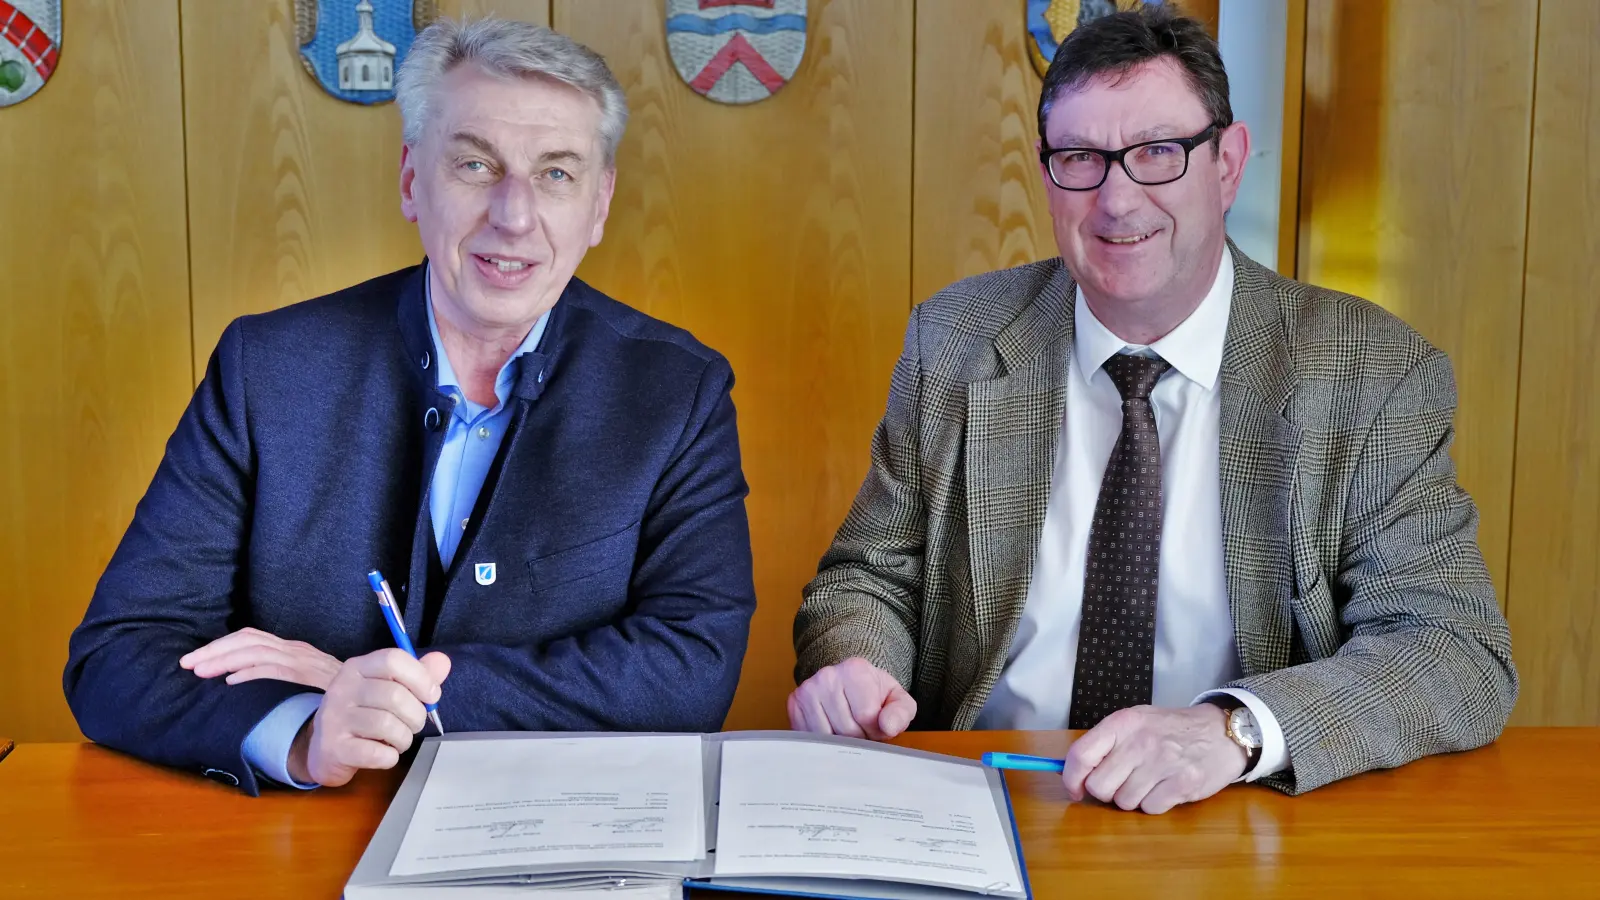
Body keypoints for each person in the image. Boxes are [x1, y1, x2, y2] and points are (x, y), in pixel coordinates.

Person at [789, 6, 1516, 814]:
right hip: (987, 794)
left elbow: (1453, 649)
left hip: (1240, 807)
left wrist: (1236, 731)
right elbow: (871, 576)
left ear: (1228, 163)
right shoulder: (957, 337)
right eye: (1081, 158)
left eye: (1159, 153)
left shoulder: (1371, 372)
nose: (1117, 200)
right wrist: (859, 667)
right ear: (1046, 172)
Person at [64, 17, 755, 795]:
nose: (515, 214)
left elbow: (691, 667)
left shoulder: (677, 392)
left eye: (557, 174)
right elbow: (119, 654)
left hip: (565, 828)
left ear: (599, 206)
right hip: (310, 836)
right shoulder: (269, 369)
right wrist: (301, 734)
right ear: (409, 181)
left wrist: (387, 693)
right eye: (474, 165)